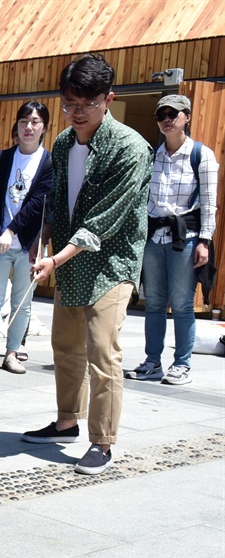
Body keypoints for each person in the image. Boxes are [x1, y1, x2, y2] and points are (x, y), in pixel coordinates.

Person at [22, 54, 152, 476]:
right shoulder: (61, 143)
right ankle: (66, 422)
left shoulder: (130, 147)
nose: (76, 113)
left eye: (86, 104)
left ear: (108, 99)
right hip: (71, 260)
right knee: (65, 345)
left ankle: (103, 441)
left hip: (111, 261)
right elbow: (56, 203)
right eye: (68, 103)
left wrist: (55, 258)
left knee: (102, 351)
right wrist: (43, 245)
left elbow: (105, 220)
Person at [127, 93, 218, 387]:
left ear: (186, 118)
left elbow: (209, 201)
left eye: (173, 114)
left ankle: (182, 364)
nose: (166, 119)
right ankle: (152, 361)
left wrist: (205, 240)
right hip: (154, 236)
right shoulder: (152, 155)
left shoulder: (200, 155)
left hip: (186, 237)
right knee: (152, 302)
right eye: (161, 115)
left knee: (181, 303)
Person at [0, 101, 53, 376]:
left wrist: (13, 233)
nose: (28, 127)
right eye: (23, 121)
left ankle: (11, 353)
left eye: (35, 122)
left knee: (23, 302)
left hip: (27, 245)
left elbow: (36, 204)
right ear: (16, 126)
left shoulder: (48, 162)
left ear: (44, 127)